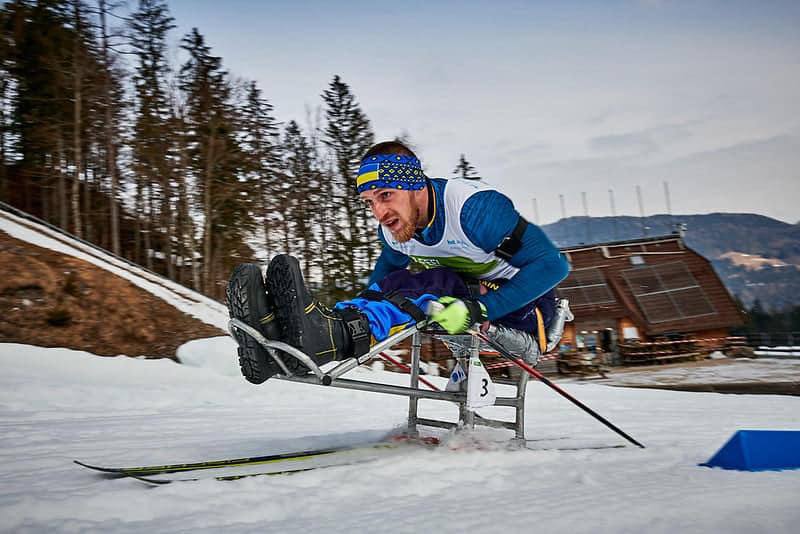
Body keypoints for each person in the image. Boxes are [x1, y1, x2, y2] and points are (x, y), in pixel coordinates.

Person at [227, 141, 570, 384]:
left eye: (386, 195)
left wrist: (480, 310)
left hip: (529, 316)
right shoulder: (395, 232)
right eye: (369, 202)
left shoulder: (473, 210)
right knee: (418, 284)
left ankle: (328, 338)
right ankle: (289, 337)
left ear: (415, 185)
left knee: (439, 281)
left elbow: (553, 266)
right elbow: (386, 281)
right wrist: (356, 308)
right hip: (463, 306)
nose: (379, 212)